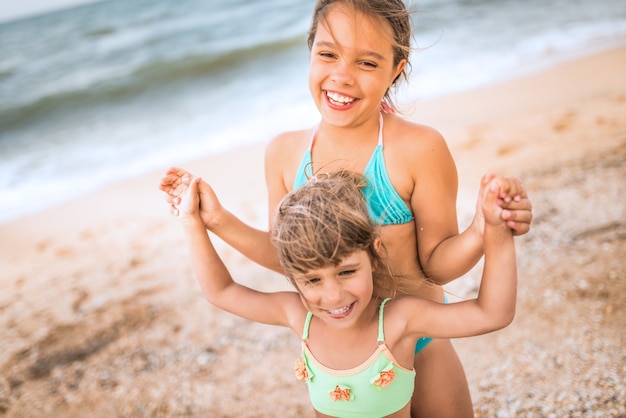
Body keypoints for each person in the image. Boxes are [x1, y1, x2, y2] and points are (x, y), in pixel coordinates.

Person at [160, 0, 532, 416]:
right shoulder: (285, 153)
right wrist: (218, 221)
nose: (341, 76)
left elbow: (438, 265)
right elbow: (291, 260)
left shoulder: (416, 148)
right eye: (328, 53)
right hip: (343, 351)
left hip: (419, 340)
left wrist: (484, 231)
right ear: (310, 52)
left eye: (367, 63)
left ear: (396, 67)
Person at [176, 170, 517, 418]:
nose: (334, 295)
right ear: (292, 277)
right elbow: (221, 291)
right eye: (312, 281)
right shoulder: (300, 317)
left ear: (374, 253)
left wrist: (496, 235)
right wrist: (192, 221)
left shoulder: (399, 321)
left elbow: (492, 314)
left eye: (347, 272)